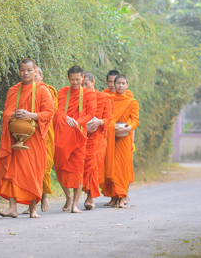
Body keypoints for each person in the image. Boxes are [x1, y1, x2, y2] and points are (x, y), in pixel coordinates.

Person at [0, 58, 54, 218]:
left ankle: (33, 209)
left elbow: (49, 112)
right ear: (19, 71)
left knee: (33, 171)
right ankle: (12, 207)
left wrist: (31, 115)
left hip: (34, 138)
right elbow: (6, 112)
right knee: (12, 171)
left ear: (35, 71)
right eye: (23, 70)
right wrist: (13, 115)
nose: (26, 73)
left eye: (29, 70)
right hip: (15, 138)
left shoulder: (43, 90)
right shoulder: (14, 90)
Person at [53, 66, 96, 213]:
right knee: (61, 167)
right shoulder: (63, 92)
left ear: (82, 77)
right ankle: (68, 196)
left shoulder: (89, 94)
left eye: (78, 79)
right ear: (68, 78)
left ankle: (75, 204)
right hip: (63, 135)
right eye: (72, 79)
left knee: (78, 170)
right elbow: (58, 110)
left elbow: (90, 114)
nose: (75, 82)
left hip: (78, 136)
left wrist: (78, 121)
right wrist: (66, 118)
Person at [102, 75, 140, 208]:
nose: (120, 86)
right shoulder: (109, 100)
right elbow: (105, 117)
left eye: (123, 83)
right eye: (118, 83)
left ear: (127, 85)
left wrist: (128, 127)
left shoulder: (132, 102)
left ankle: (122, 197)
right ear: (114, 84)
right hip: (111, 137)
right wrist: (112, 126)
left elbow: (135, 120)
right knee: (112, 166)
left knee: (123, 167)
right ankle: (114, 197)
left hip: (124, 137)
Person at [81, 71, 110, 210]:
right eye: (82, 85)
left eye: (86, 84)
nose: (84, 87)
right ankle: (73, 199)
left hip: (97, 138)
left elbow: (108, 118)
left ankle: (90, 197)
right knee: (81, 165)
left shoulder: (104, 97)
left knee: (94, 166)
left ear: (93, 82)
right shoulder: (78, 98)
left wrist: (99, 121)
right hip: (81, 136)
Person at [34, 66, 58, 212]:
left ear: (41, 77)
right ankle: (32, 202)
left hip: (45, 133)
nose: (34, 80)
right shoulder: (24, 91)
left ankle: (44, 198)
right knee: (30, 167)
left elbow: (51, 111)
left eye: (36, 77)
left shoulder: (48, 91)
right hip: (28, 133)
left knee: (44, 166)